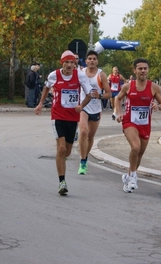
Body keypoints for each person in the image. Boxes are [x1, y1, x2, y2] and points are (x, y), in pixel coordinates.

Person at [34, 50, 92, 195]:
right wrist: (41, 104)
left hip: (73, 117)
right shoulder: (54, 75)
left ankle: (62, 160)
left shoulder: (79, 76)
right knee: (60, 149)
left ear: (75, 64)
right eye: (67, 62)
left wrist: (81, 106)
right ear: (62, 63)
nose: (69, 65)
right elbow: (47, 88)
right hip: (58, 116)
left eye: (72, 62)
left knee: (67, 151)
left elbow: (89, 94)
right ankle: (62, 182)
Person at [115, 58, 161, 193]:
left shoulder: (153, 87)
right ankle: (133, 177)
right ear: (135, 70)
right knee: (135, 147)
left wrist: (157, 106)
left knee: (139, 154)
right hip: (129, 122)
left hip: (145, 124)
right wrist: (118, 113)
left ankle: (128, 177)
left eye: (145, 68)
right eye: (140, 68)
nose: (143, 71)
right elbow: (117, 98)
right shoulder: (128, 86)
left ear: (148, 70)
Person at [77, 50, 111, 175]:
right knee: (84, 131)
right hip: (83, 106)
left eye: (94, 59)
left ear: (97, 61)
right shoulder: (81, 73)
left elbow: (109, 93)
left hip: (95, 109)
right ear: (86, 61)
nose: (92, 61)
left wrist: (100, 95)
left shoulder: (101, 75)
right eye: (89, 58)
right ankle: (82, 160)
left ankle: (85, 158)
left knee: (90, 136)